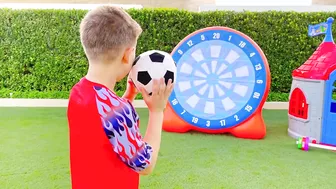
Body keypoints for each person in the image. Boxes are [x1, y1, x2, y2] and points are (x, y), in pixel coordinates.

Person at [66, 5, 174, 189]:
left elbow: (106, 126)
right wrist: (157, 111)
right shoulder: (115, 110)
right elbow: (145, 164)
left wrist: (129, 95)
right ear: (127, 55)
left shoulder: (78, 92)